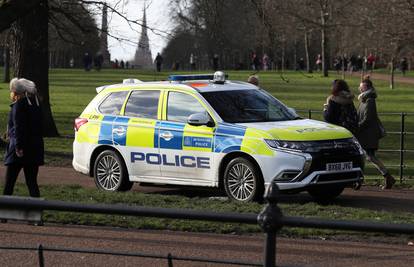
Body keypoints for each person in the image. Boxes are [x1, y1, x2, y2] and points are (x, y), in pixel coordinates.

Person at [3, 78, 44, 199]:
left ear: (17, 92)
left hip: (19, 150)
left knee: (9, 183)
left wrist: (18, 146)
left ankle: (4, 214)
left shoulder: (19, 105)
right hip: (35, 149)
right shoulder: (37, 104)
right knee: (32, 183)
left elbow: (19, 127)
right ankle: (36, 213)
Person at [356, 76, 396, 189]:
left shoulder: (369, 100)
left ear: (366, 87)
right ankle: (387, 177)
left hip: (368, 135)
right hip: (364, 134)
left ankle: (387, 177)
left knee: (369, 156)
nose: (359, 88)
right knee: (367, 157)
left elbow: (368, 119)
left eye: (361, 86)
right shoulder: (364, 99)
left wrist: (357, 127)